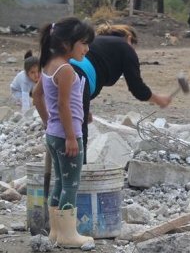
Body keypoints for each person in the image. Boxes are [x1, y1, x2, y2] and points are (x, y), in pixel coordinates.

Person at [32, 17, 96, 248]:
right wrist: (70, 135)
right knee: (71, 184)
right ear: (67, 43)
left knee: (60, 181)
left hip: (53, 134)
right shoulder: (66, 69)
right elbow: (63, 105)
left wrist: (49, 123)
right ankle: (69, 235)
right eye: (84, 43)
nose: (87, 49)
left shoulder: (49, 64)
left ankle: (56, 233)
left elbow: (37, 96)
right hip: (67, 135)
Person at [69, 23, 172, 161]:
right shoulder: (125, 47)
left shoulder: (97, 42)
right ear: (129, 38)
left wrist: (83, 108)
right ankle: (77, 175)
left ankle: (58, 172)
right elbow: (137, 88)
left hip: (63, 71)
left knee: (62, 125)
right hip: (80, 80)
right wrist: (159, 99)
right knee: (79, 136)